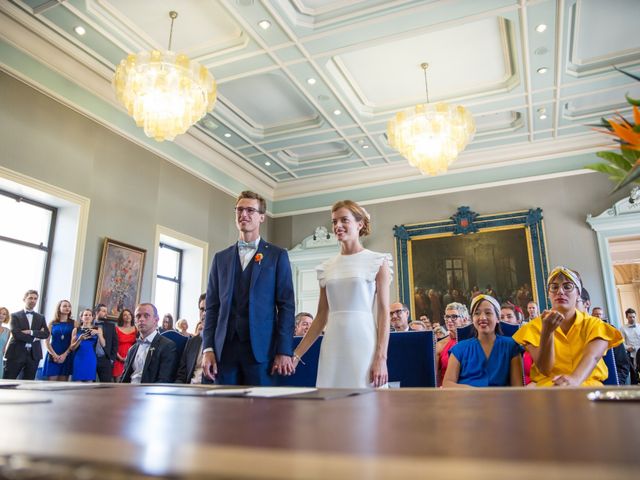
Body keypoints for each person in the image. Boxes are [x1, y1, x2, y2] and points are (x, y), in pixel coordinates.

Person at [293, 200, 391, 388]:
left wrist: (381, 357)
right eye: (334, 221)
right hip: (333, 343)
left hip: (364, 342)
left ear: (359, 224)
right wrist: (297, 355)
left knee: (367, 405)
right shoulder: (326, 267)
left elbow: (384, 312)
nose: (337, 226)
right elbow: (321, 316)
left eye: (344, 220)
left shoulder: (377, 261)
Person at [202, 191, 295, 385]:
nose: (244, 214)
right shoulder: (221, 258)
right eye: (240, 209)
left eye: (250, 210)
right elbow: (212, 308)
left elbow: (286, 305)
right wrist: (208, 348)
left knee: (260, 412)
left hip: (261, 351)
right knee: (223, 410)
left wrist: (284, 350)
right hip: (224, 352)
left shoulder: (277, 256)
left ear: (262, 217)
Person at [512, 266, 623, 386]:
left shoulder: (595, 324)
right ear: (549, 293)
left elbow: (592, 356)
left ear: (578, 293)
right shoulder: (533, 327)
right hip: (548, 387)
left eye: (567, 287)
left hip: (587, 386)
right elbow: (545, 368)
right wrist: (547, 332)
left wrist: (574, 380)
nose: (560, 291)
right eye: (554, 287)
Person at [443, 295, 524, 388]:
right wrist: (473, 392)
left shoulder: (511, 346)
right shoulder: (459, 349)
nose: (482, 317)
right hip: (467, 400)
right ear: (472, 319)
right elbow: (447, 384)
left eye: (488, 313)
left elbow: (517, 387)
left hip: (501, 401)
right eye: (477, 313)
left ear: (498, 318)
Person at [121, 303, 177, 384]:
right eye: (138, 316)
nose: (141, 319)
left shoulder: (167, 346)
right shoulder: (132, 349)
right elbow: (124, 378)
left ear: (156, 320)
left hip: (150, 394)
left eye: (146, 316)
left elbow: (164, 380)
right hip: (128, 393)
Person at [4, 290, 50, 380]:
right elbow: (17, 334)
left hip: (34, 355)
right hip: (16, 353)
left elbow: (46, 334)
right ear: (24, 299)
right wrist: (35, 338)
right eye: (30, 298)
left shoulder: (40, 317)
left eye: (35, 299)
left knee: (29, 384)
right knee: (8, 381)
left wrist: (32, 332)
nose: (33, 301)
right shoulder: (14, 316)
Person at [435, 302, 468, 386]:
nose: (449, 320)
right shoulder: (440, 345)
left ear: (464, 319)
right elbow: (435, 376)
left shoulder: (471, 343)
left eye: (454, 317)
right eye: (447, 317)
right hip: (446, 391)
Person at [176, 294, 206, 384]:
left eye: (208, 309)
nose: (204, 313)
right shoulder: (192, 342)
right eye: (201, 309)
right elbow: (181, 375)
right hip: (190, 389)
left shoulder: (224, 341)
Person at [42, 300, 75, 381]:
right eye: (64, 306)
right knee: (51, 383)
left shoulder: (74, 323)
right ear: (59, 308)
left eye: (69, 306)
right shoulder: (52, 323)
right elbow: (46, 342)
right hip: (53, 354)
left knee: (63, 384)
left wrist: (65, 355)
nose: (67, 308)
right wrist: (54, 355)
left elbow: (74, 342)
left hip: (67, 354)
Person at [70, 309, 104, 382]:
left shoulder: (98, 329)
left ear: (92, 318)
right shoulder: (76, 330)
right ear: (81, 317)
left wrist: (98, 333)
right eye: (85, 315)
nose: (88, 317)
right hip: (79, 358)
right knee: (77, 383)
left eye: (90, 315)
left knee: (89, 383)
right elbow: (72, 348)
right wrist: (79, 339)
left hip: (91, 358)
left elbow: (103, 344)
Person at [93, 304, 118, 383]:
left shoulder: (111, 326)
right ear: (97, 312)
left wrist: (112, 359)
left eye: (106, 311)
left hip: (105, 359)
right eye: (103, 311)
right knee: (89, 384)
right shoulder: (89, 324)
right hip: (91, 358)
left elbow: (115, 343)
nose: (106, 313)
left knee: (106, 386)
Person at [112, 308, 136, 382]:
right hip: (119, 359)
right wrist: (120, 358)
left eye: (129, 314)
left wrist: (129, 358)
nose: (127, 316)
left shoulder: (136, 329)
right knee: (119, 385)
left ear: (132, 316)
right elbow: (113, 345)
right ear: (122, 318)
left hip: (132, 359)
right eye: (125, 315)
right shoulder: (116, 329)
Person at [620, 308, 640, 384]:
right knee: (634, 374)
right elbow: (621, 342)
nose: (632, 319)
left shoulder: (639, 326)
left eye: (633, 317)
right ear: (627, 317)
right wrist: (628, 348)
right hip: (631, 354)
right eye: (630, 317)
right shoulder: (623, 328)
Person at [0, 307, 11, 378]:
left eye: (4, 314)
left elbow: (4, 349)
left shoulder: (7, 331)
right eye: (0, 313)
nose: (1, 315)